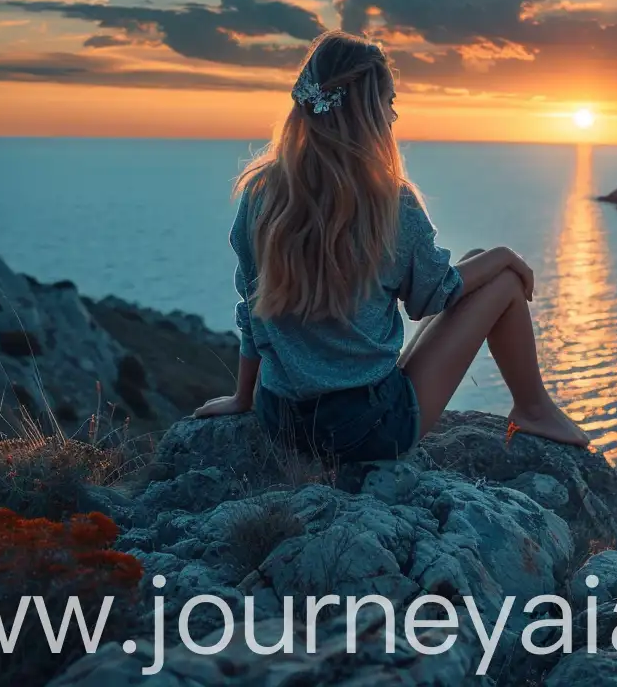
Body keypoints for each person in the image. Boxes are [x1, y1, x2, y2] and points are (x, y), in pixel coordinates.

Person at [192, 32, 588, 461]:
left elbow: (251, 309)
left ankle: (532, 402)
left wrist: (243, 398)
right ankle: (533, 408)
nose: (393, 115)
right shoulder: (388, 203)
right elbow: (432, 297)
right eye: (388, 101)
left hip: (282, 421)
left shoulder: (262, 193)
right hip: (367, 428)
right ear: (367, 112)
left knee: (478, 264)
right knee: (505, 281)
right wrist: (505, 256)